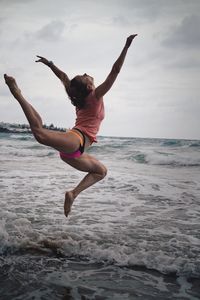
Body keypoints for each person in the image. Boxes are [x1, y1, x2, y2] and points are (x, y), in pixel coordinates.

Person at [4, 34, 137, 217]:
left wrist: (50, 63)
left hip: (74, 152)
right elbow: (115, 70)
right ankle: (17, 93)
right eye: (85, 76)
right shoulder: (95, 95)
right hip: (76, 140)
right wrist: (126, 47)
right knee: (40, 134)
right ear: (90, 86)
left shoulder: (79, 98)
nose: (85, 74)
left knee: (101, 172)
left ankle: (73, 194)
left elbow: (63, 76)